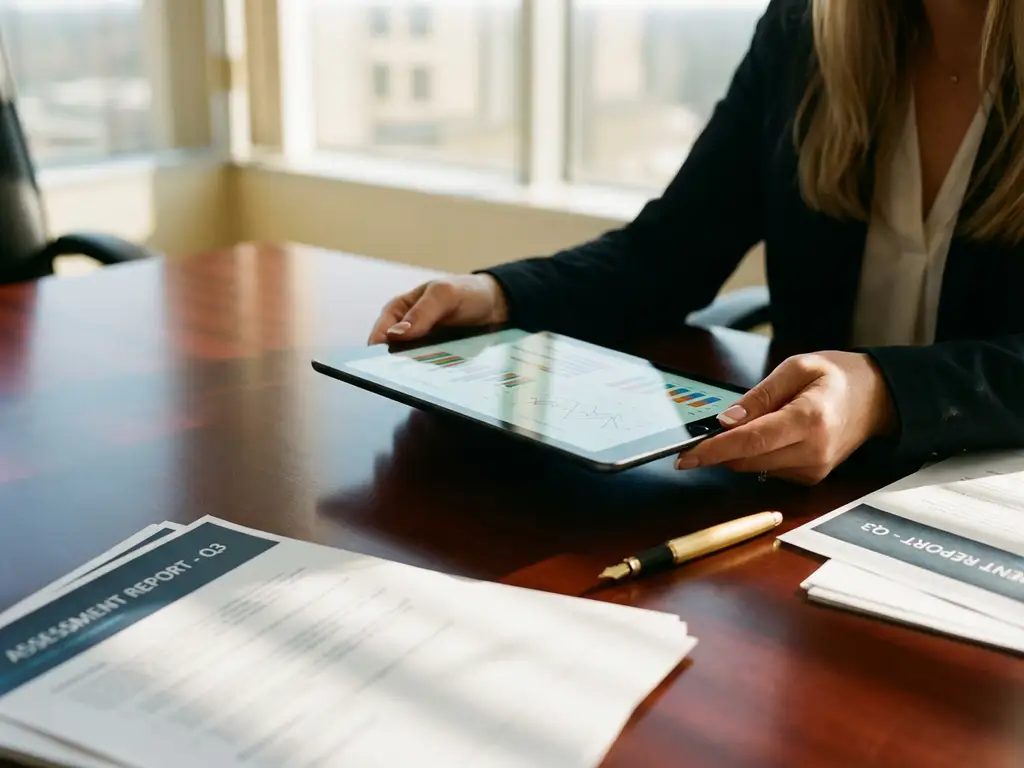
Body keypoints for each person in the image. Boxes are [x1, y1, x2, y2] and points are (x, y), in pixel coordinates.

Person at [369, 0, 1024, 485]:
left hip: (987, 502)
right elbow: (671, 251)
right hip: (796, 494)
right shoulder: (803, 34)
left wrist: (885, 392)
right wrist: (498, 296)